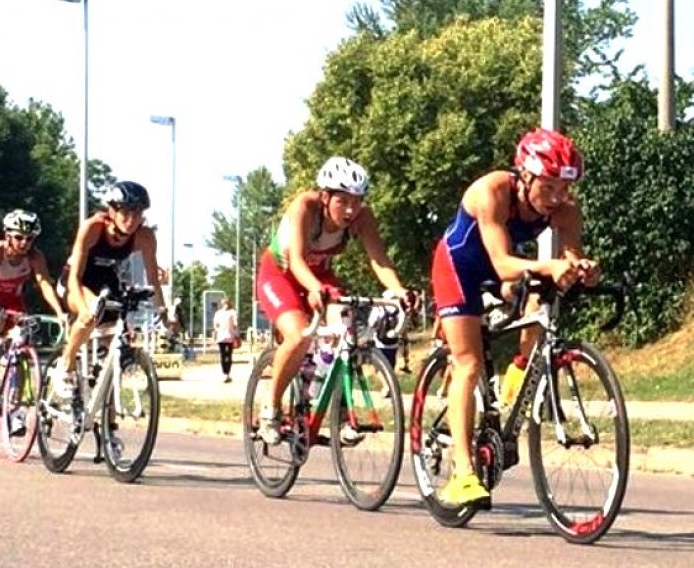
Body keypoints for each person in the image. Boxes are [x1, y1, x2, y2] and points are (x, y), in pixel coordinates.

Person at [430, 128, 600, 508]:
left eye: (564, 189)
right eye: (549, 187)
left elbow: (569, 259)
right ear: (525, 176)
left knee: (541, 301)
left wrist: (583, 269)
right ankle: (462, 473)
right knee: (469, 363)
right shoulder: (492, 191)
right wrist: (552, 265)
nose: (556, 198)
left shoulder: (567, 210)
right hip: (460, 266)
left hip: (503, 266)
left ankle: (519, 371)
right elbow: (503, 264)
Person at [255, 156, 416, 444]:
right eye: (343, 201)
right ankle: (271, 406)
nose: (351, 209)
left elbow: (379, 260)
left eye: (357, 200)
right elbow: (296, 261)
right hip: (281, 274)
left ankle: (336, 409)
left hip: (321, 276)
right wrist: (315, 287)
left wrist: (399, 291)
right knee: (298, 336)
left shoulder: (362, 217)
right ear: (325, 196)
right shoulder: (305, 206)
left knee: (349, 331)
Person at [49, 181, 166, 397]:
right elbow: (75, 276)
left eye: (138, 213)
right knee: (91, 313)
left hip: (106, 280)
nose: (132, 221)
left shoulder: (145, 237)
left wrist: (164, 314)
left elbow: (153, 280)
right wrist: (85, 310)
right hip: (76, 279)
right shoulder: (93, 228)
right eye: (126, 213)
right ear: (112, 210)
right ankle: (66, 365)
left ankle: (106, 417)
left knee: (114, 341)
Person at [0, 210, 66, 416]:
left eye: (29, 238)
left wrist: (59, 311)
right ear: (8, 235)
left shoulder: (36, 257)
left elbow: (44, 283)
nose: (24, 243)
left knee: (23, 342)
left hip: (13, 299)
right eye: (19, 237)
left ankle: (14, 406)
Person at [213, 298, 238, 383]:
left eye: (226, 303)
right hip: (223, 337)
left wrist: (234, 334)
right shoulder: (219, 313)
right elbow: (215, 325)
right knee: (224, 355)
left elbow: (235, 324)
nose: (225, 305)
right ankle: (225, 373)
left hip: (229, 337)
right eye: (224, 303)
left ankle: (227, 373)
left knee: (227, 355)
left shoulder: (232, 312)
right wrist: (219, 330)